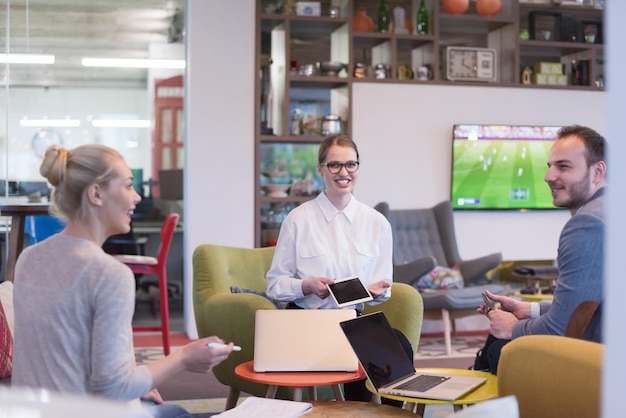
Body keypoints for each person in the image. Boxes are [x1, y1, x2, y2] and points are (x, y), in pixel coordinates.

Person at [12, 144, 237, 418]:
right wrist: (184, 357)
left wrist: (139, 385)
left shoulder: (28, 258)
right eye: (128, 186)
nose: (138, 197)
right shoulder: (108, 274)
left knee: (172, 410)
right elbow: (114, 388)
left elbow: (62, 357)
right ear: (96, 194)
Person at [265, 134, 409, 403]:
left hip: (352, 320)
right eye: (334, 165)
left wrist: (376, 292)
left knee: (398, 346)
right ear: (321, 168)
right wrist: (304, 286)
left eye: (350, 165)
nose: (344, 173)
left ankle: (381, 414)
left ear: (358, 167)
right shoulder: (297, 220)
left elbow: (383, 287)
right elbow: (274, 285)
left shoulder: (377, 223)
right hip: (307, 322)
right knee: (361, 350)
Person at [474, 124, 606, 374]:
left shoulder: (587, 224)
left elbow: (562, 330)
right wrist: (530, 309)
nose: (548, 176)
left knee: (498, 348)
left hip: (598, 363)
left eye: (563, 166)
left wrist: (512, 327)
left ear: (597, 171)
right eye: (549, 166)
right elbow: (589, 305)